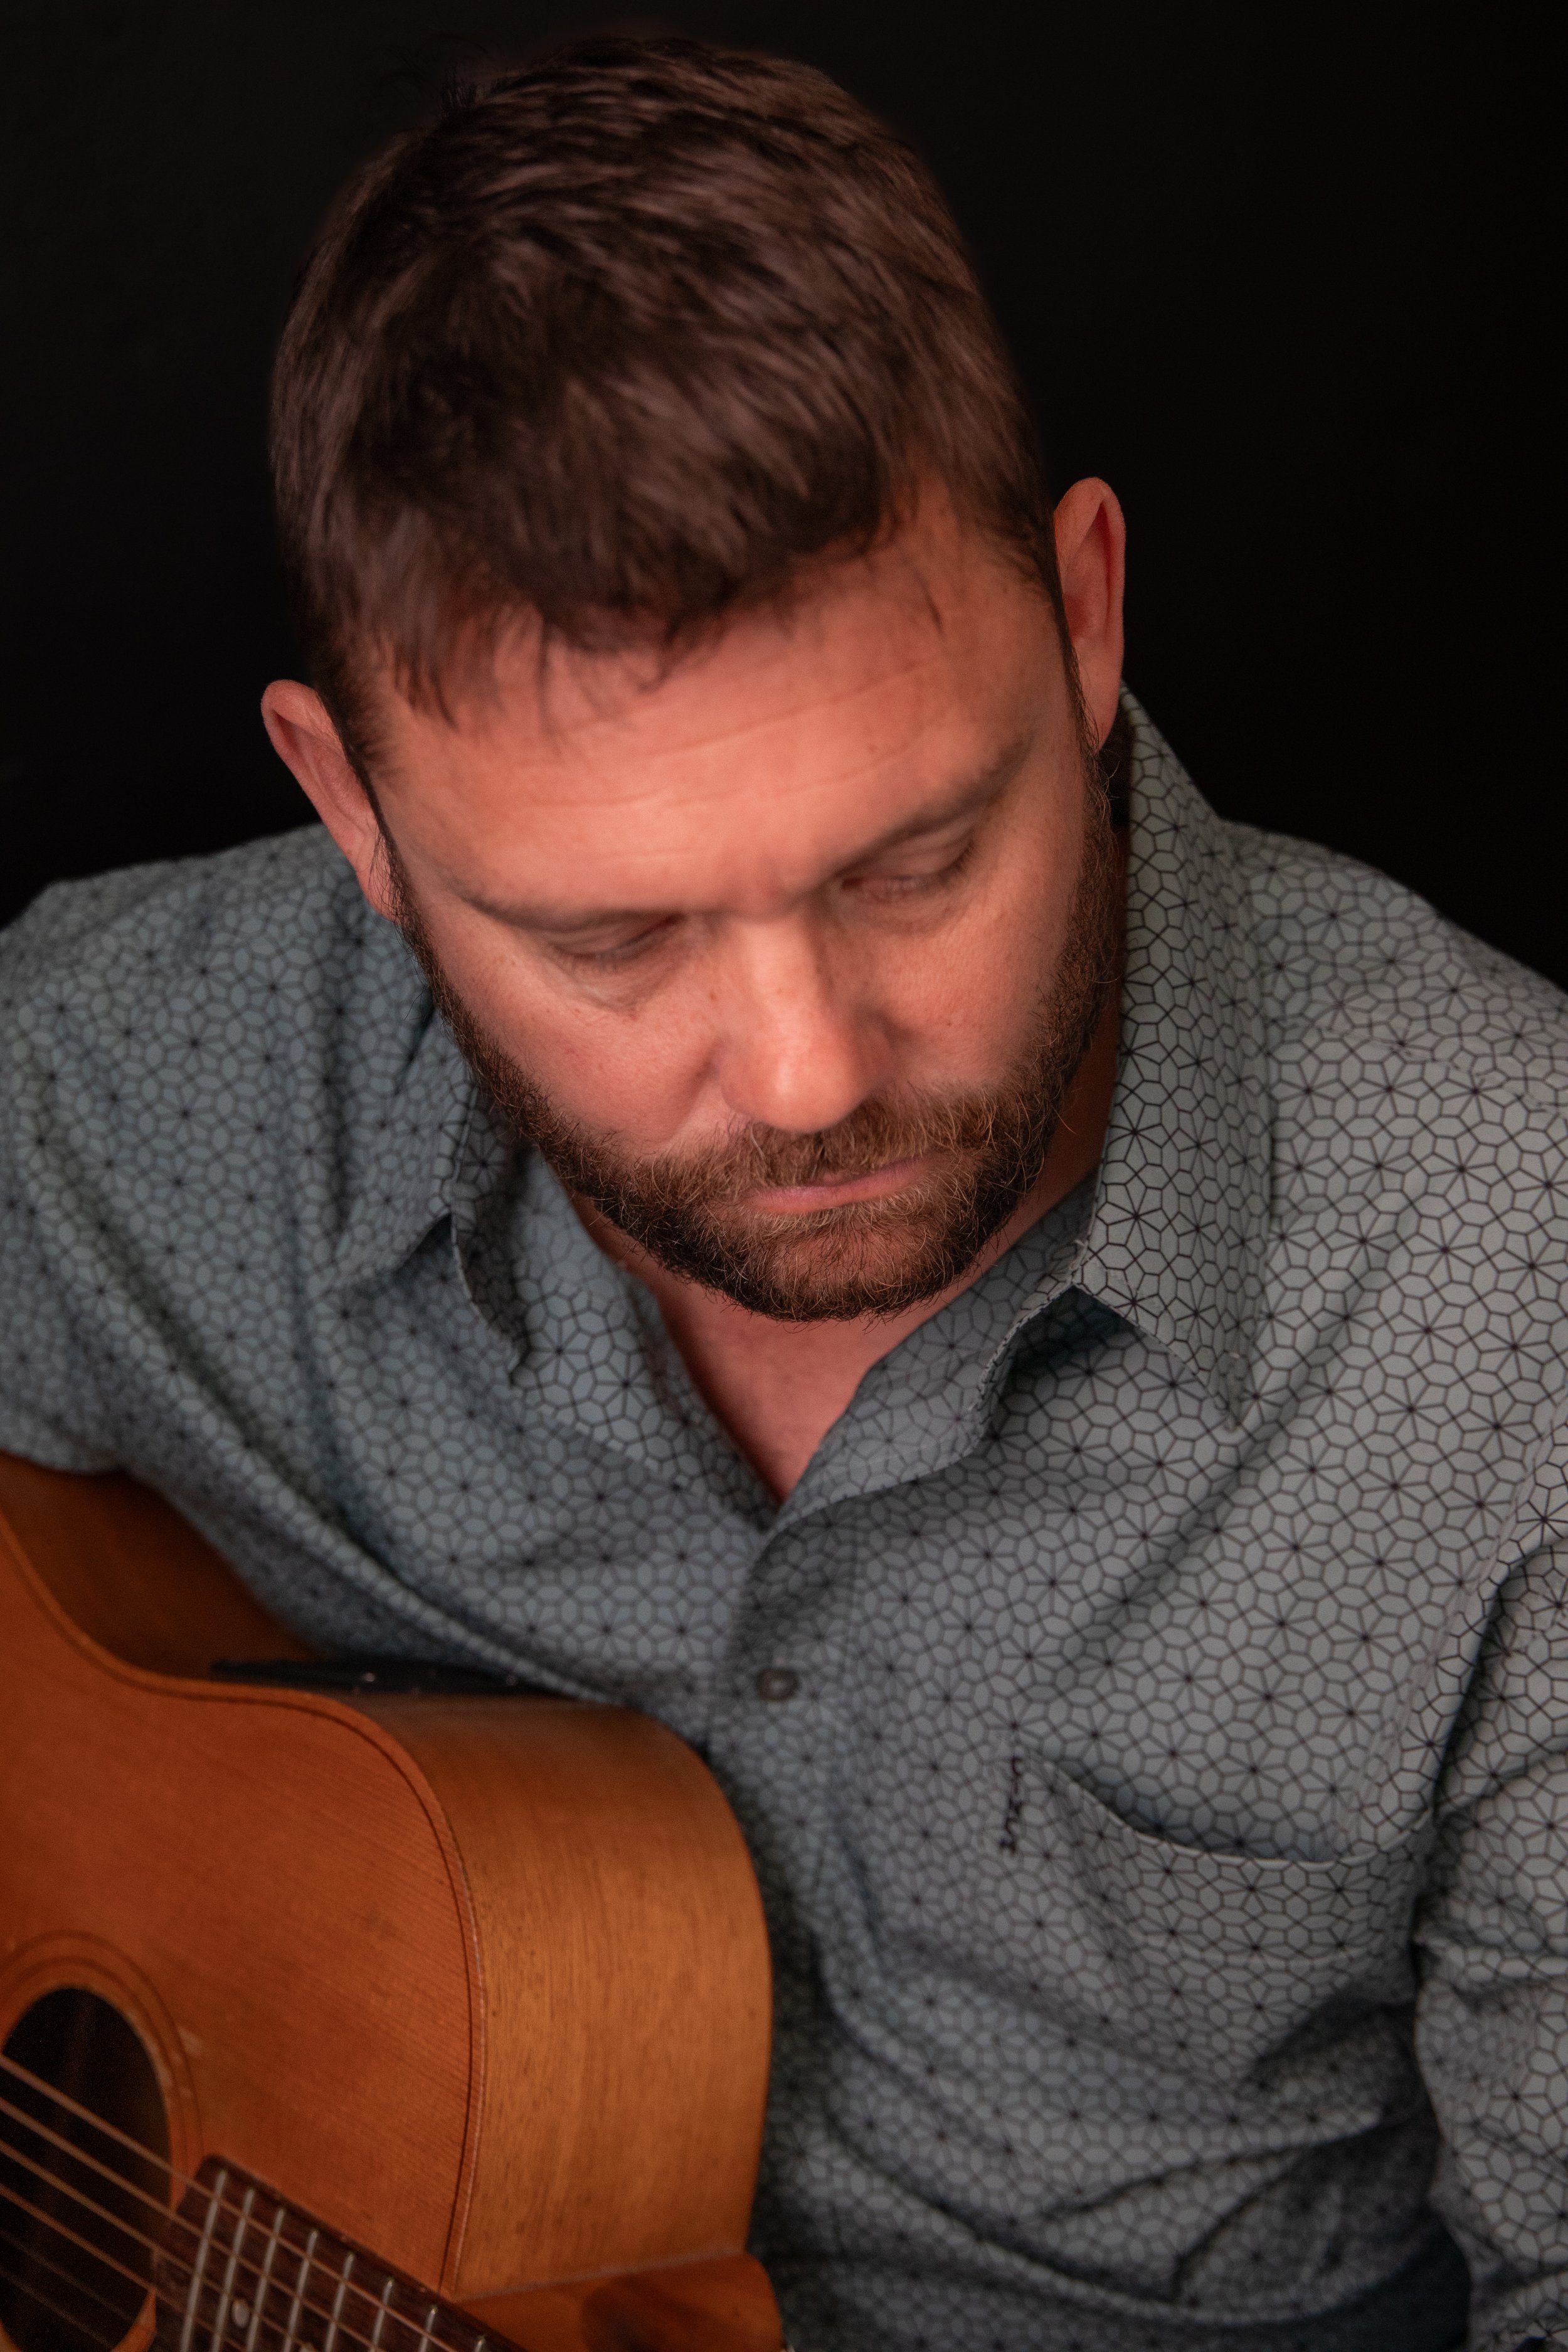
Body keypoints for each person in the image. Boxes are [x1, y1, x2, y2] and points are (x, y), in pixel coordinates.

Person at [1, 36, 1564, 2352]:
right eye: (610, 942)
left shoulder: (1510, 1288)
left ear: (1087, 613)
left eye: (919, 859)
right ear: (353, 814)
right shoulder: (133, 1094)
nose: (811, 1069)